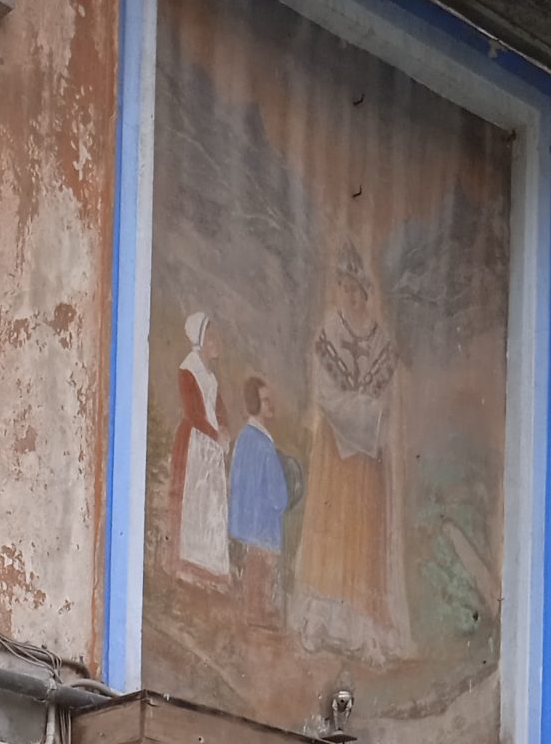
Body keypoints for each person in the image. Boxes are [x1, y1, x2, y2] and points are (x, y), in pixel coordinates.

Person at [294, 242, 412, 662]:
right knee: (330, 528)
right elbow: (325, 394)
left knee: (364, 537)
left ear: (365, 291)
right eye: (344, 288)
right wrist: (359, 413)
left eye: (356, 289)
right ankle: (320, 622)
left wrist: (368, 418)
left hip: (368, 456)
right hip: (336, 450)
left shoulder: (381, 341)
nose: (351, 296)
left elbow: (388, 400)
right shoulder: (329, 332)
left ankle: (365, 633)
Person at [169, 311, 230, 584]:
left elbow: (218, 407)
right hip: (194, 443)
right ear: (201, 339)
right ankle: (186, 567)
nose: (217, 342)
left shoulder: (210, 376)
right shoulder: (189, 370)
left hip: (210, 447)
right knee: (193, 505)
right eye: (212, 337)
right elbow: (194, 413)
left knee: (210, 508)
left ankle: (208, 570)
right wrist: (215, 434)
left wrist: (224, 428)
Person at [227, 375, 289, 624]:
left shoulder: (243, 437)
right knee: (262, 568)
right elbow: (276, 490)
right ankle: (257, 613)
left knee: (254, 567)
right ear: (255, 404)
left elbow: (234, 479)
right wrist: (281, 502)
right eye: (265, 401)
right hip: (263, 520)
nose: (270, 405)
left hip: (247, 518)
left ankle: (255, 610)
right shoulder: (263, 444)